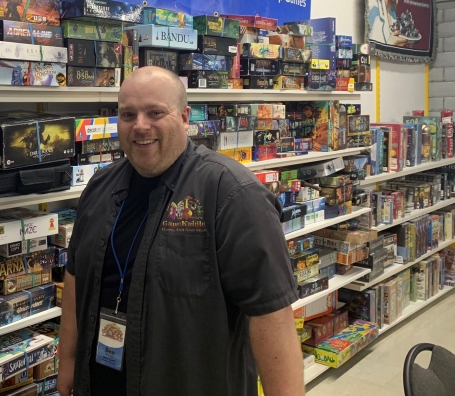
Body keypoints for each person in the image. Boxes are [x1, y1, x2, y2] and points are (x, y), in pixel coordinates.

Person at [58, 66, 304, 396]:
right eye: (128, 114)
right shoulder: (100, 186)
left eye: (155, 112)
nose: (140, 125)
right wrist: (69, 360)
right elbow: (76, 274)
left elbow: (271, 313)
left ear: (185, 117)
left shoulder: (231, 195)